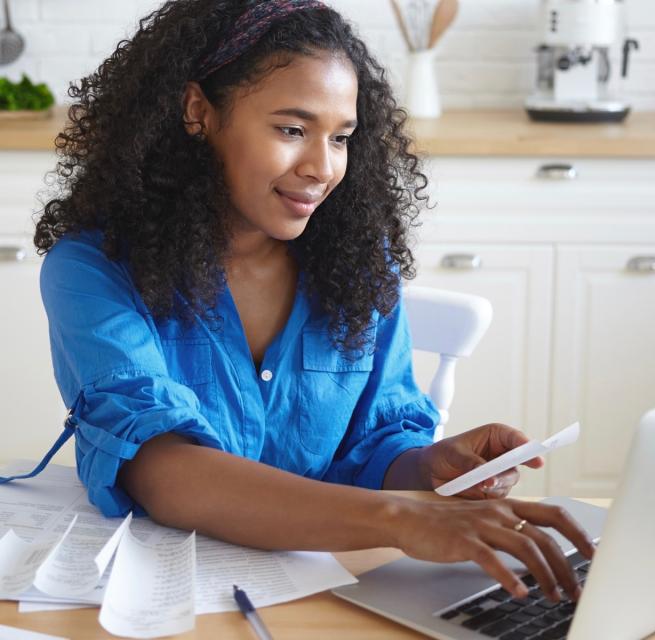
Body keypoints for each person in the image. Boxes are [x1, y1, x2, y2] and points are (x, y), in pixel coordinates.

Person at [28, 0, 594, 603]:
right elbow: (166, 473)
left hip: (333, 589)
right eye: (292, 129)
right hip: (163, 598)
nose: (322, 168)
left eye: (341, 137)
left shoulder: (355, 262)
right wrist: (403, 519)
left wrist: (429, 468)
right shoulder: (94, 268)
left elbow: (373, 446)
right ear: (199, 112)